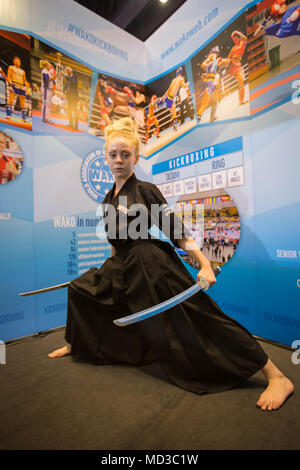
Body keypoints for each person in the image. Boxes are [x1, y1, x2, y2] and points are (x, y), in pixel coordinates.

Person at [49, 117, 294, 411]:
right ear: (105, 157)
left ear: (136, 158)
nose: (119, 160)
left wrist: (203, 264)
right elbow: (115, 244)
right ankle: (76, 344)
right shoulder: (107, 198)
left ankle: (276, 375)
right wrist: (106, 273)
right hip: (121, 265)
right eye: (113, 155)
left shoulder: (146, 190)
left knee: (201, 314)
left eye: (125, 155)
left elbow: (176, 231)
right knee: (80, 290)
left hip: (152, 265)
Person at [227, 31, 248, 106]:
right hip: (233, 63)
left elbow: (245, 38)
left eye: (236, 39)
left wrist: (237, 32)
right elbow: (228, 58)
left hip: (238, 64)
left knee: (241, 82)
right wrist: (228, 68)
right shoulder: (233, 48)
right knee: (224, 61)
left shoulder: (242, 43)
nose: (234, 40)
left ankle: (241, 101)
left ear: (239, 39)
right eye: (233, 40)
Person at [6, 56, 28, 122]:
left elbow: (25, 80)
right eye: (16, 61)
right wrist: (10, 83)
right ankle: (8, 115)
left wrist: (27, 87)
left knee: (23, 104)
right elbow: (8, 76)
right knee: (10, 101)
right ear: (14, 61)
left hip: (21, 87)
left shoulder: (23, 71)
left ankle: (23, 118)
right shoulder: (11, 67)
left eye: (19, 61)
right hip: (14, 84)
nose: (18, 62)